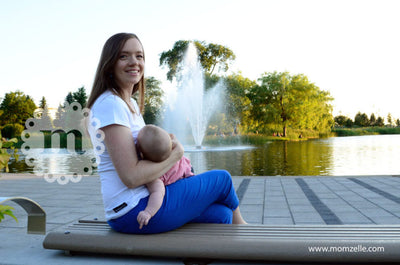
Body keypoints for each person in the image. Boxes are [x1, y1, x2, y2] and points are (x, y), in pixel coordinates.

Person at [87, 32, 246, 234]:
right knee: (222, 179)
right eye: (123, 56)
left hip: (144, 202)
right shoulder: (110, 104)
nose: (134, 62)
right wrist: (176, 156)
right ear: (109, 64)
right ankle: (244, 229)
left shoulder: (130, 104)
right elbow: (131, 177)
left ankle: (197, 256)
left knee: (222, 215)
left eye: (139, 56)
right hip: (133, 210)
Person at [135, 124, 194, 229]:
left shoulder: (154, 176)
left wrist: (148, 212)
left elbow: (158, 193)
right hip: (189, 173)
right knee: (223, 213)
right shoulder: (174, 153)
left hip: (184, 182)